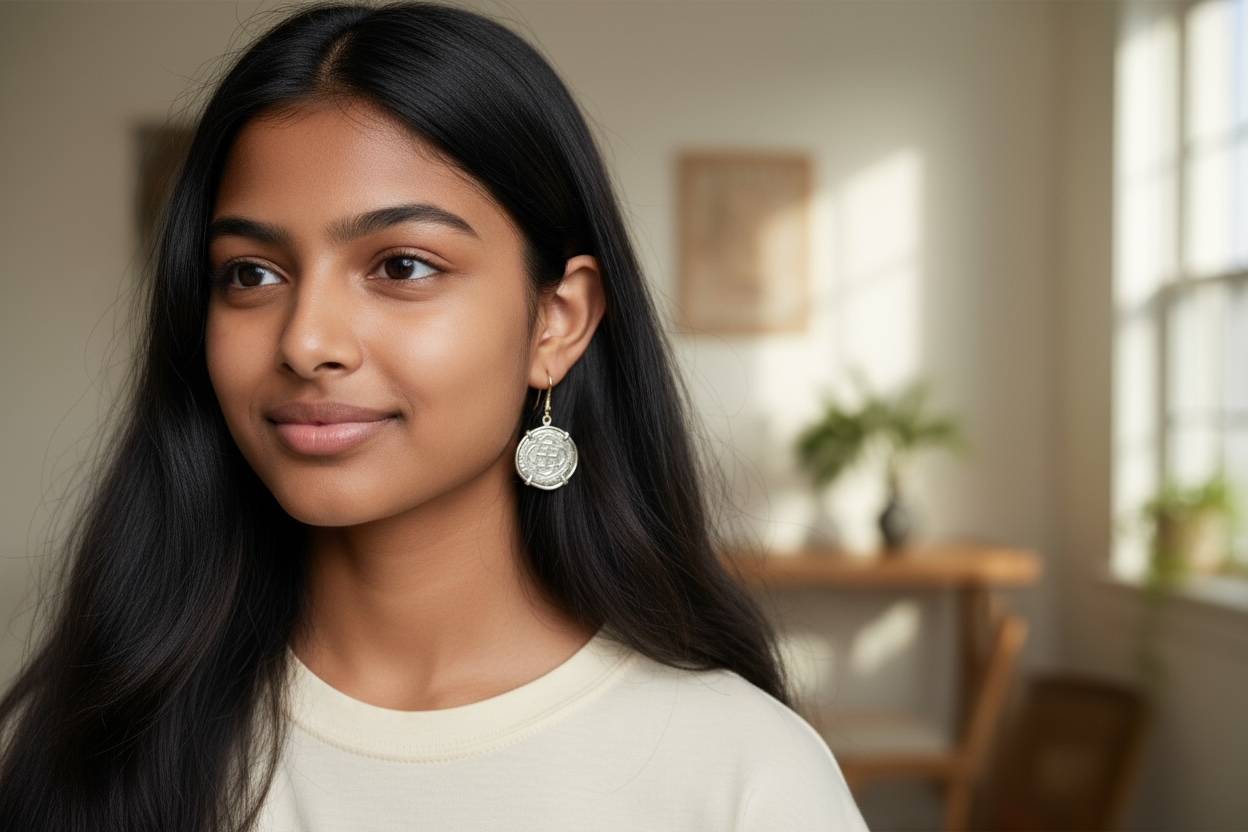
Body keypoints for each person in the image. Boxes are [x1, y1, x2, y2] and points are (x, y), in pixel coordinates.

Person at [0, 4, 867, 830]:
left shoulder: (741, 772)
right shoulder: (84, 748)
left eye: (403, 266)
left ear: (556, 322)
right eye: (251, 274)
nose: (305, 342)